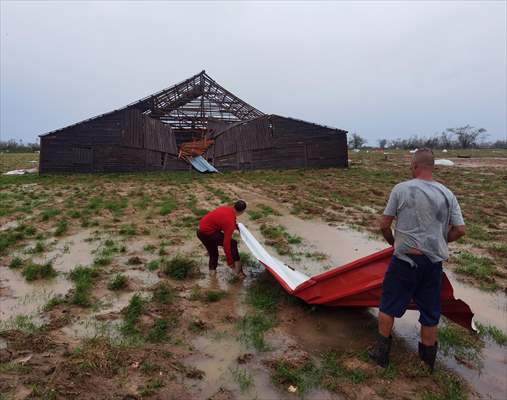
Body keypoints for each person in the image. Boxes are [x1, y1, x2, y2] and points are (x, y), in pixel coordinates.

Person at [369, 148, 466, 371]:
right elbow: (460, 230)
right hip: (432, 264)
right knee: (430, 312)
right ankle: (427, 363)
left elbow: (384, 224)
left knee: (388, 306)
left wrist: (393, 243)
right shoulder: (447, 193)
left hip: (404, 261)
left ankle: (381, 356)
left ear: (414, 166)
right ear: (432, 167)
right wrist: (440, 242)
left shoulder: (401, 189)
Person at [197, 200, 247, 277]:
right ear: (242, 212)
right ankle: (239, 272)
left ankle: (212, 277)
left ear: (233, 205)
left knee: (213, 253)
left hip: (200, 232)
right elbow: (226, 244)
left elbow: (224, 219)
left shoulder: (225, 208)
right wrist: (229, 261)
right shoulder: (230, 223)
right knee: (233, 244)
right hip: (209, 233)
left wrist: (236, 226)